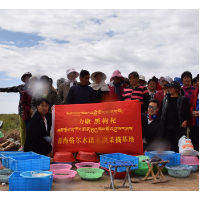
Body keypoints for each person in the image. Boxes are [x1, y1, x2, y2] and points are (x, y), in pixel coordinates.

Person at [0, 72, 32, 150]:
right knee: (23, 129)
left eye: (29, 77)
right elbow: (10, 89)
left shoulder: (34, 87)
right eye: (25, 78)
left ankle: (31, 145)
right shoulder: (21, 87)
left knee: (31, 129)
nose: (27, 79)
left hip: (32, 111)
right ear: (24, 79)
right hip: (22, 111)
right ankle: (24, 145)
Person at [160, 81, 190, 152]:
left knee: (176, 147)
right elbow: (161, 111)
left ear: (177, 89)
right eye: (169, 87)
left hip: (178, 127)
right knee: (165, 147)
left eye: (171, 87)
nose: (169, 89)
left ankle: (176, 161)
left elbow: (187, 112)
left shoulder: (183, 99)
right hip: (166, 127)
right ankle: (166, 161)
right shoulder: (165, 99)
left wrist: (185, 120)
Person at [21, 76, 38, 148]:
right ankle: (28, 147)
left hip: (37, 116)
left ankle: (36, 147)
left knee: (37, 132)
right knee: (29, 132)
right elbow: (23, 104)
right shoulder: (25, 93)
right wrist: (29, 110)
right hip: (28, 116)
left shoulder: (39, 93)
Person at [189, 74, 199, 151]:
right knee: (195, 142)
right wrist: (192, 111)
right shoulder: (195, 92)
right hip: (195, 122)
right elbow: (192, 104)